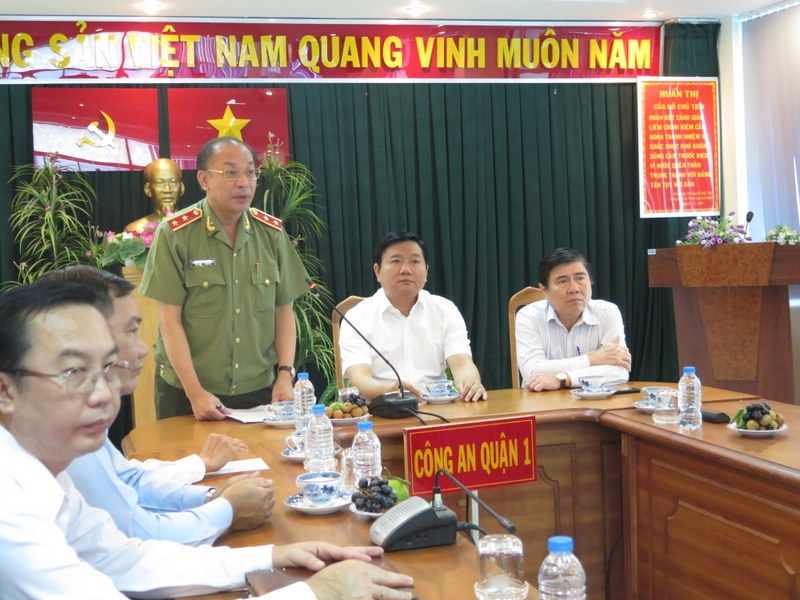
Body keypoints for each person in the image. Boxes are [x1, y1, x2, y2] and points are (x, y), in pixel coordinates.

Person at [0, 281, 414, 600]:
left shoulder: (46, 472)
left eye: (107, 367)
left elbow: (125, 561)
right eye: (74, 372)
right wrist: (316, 593)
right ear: (5, 390)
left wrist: (271, 556)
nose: (102, 394)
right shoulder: (9, 512)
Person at [37, 265, 275, 546]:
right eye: (131, 331)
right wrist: (227, 510)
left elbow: (128, 480)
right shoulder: (57, 423)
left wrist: (210, 497)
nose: (143, 349)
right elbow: (135, 534)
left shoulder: (75, 406)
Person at [140, 137, 309, 420]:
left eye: (251, 172)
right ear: (204, 180)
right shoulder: (175, 234)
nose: (244, 183)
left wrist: (284, 374)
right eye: (231, 173)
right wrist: (195, 393)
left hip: (259, 389)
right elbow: (169, 321)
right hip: (187, 391)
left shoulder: (271, 233)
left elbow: (283, 311)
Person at [339, 230, 487, 402]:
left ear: (426, 271)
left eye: (415, 261)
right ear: (378, 271)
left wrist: (470, 382)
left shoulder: (445, 310)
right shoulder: (357, 317)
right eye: (396, 261)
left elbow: (462, 363)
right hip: (382, 410)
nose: (406, 270)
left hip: (438, 409)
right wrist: (388, 391)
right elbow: (360, 378)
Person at [515, 247, 631, 391]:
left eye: (580, 278)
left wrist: (563, 379)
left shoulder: (607, 312)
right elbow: (532, 371)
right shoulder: (529, 316)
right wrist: (593, 359)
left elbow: (619, 371)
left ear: (590, 281)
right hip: (542, 400)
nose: (574, 288)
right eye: (562, 281)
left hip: (595, 402)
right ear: (544, 290)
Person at [124, 158, 185, 234]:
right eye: (160, 183)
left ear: (182, 188)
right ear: (148, 190)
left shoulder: (194, 227)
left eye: (173, 182)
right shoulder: (135, 230)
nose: (167, 190)